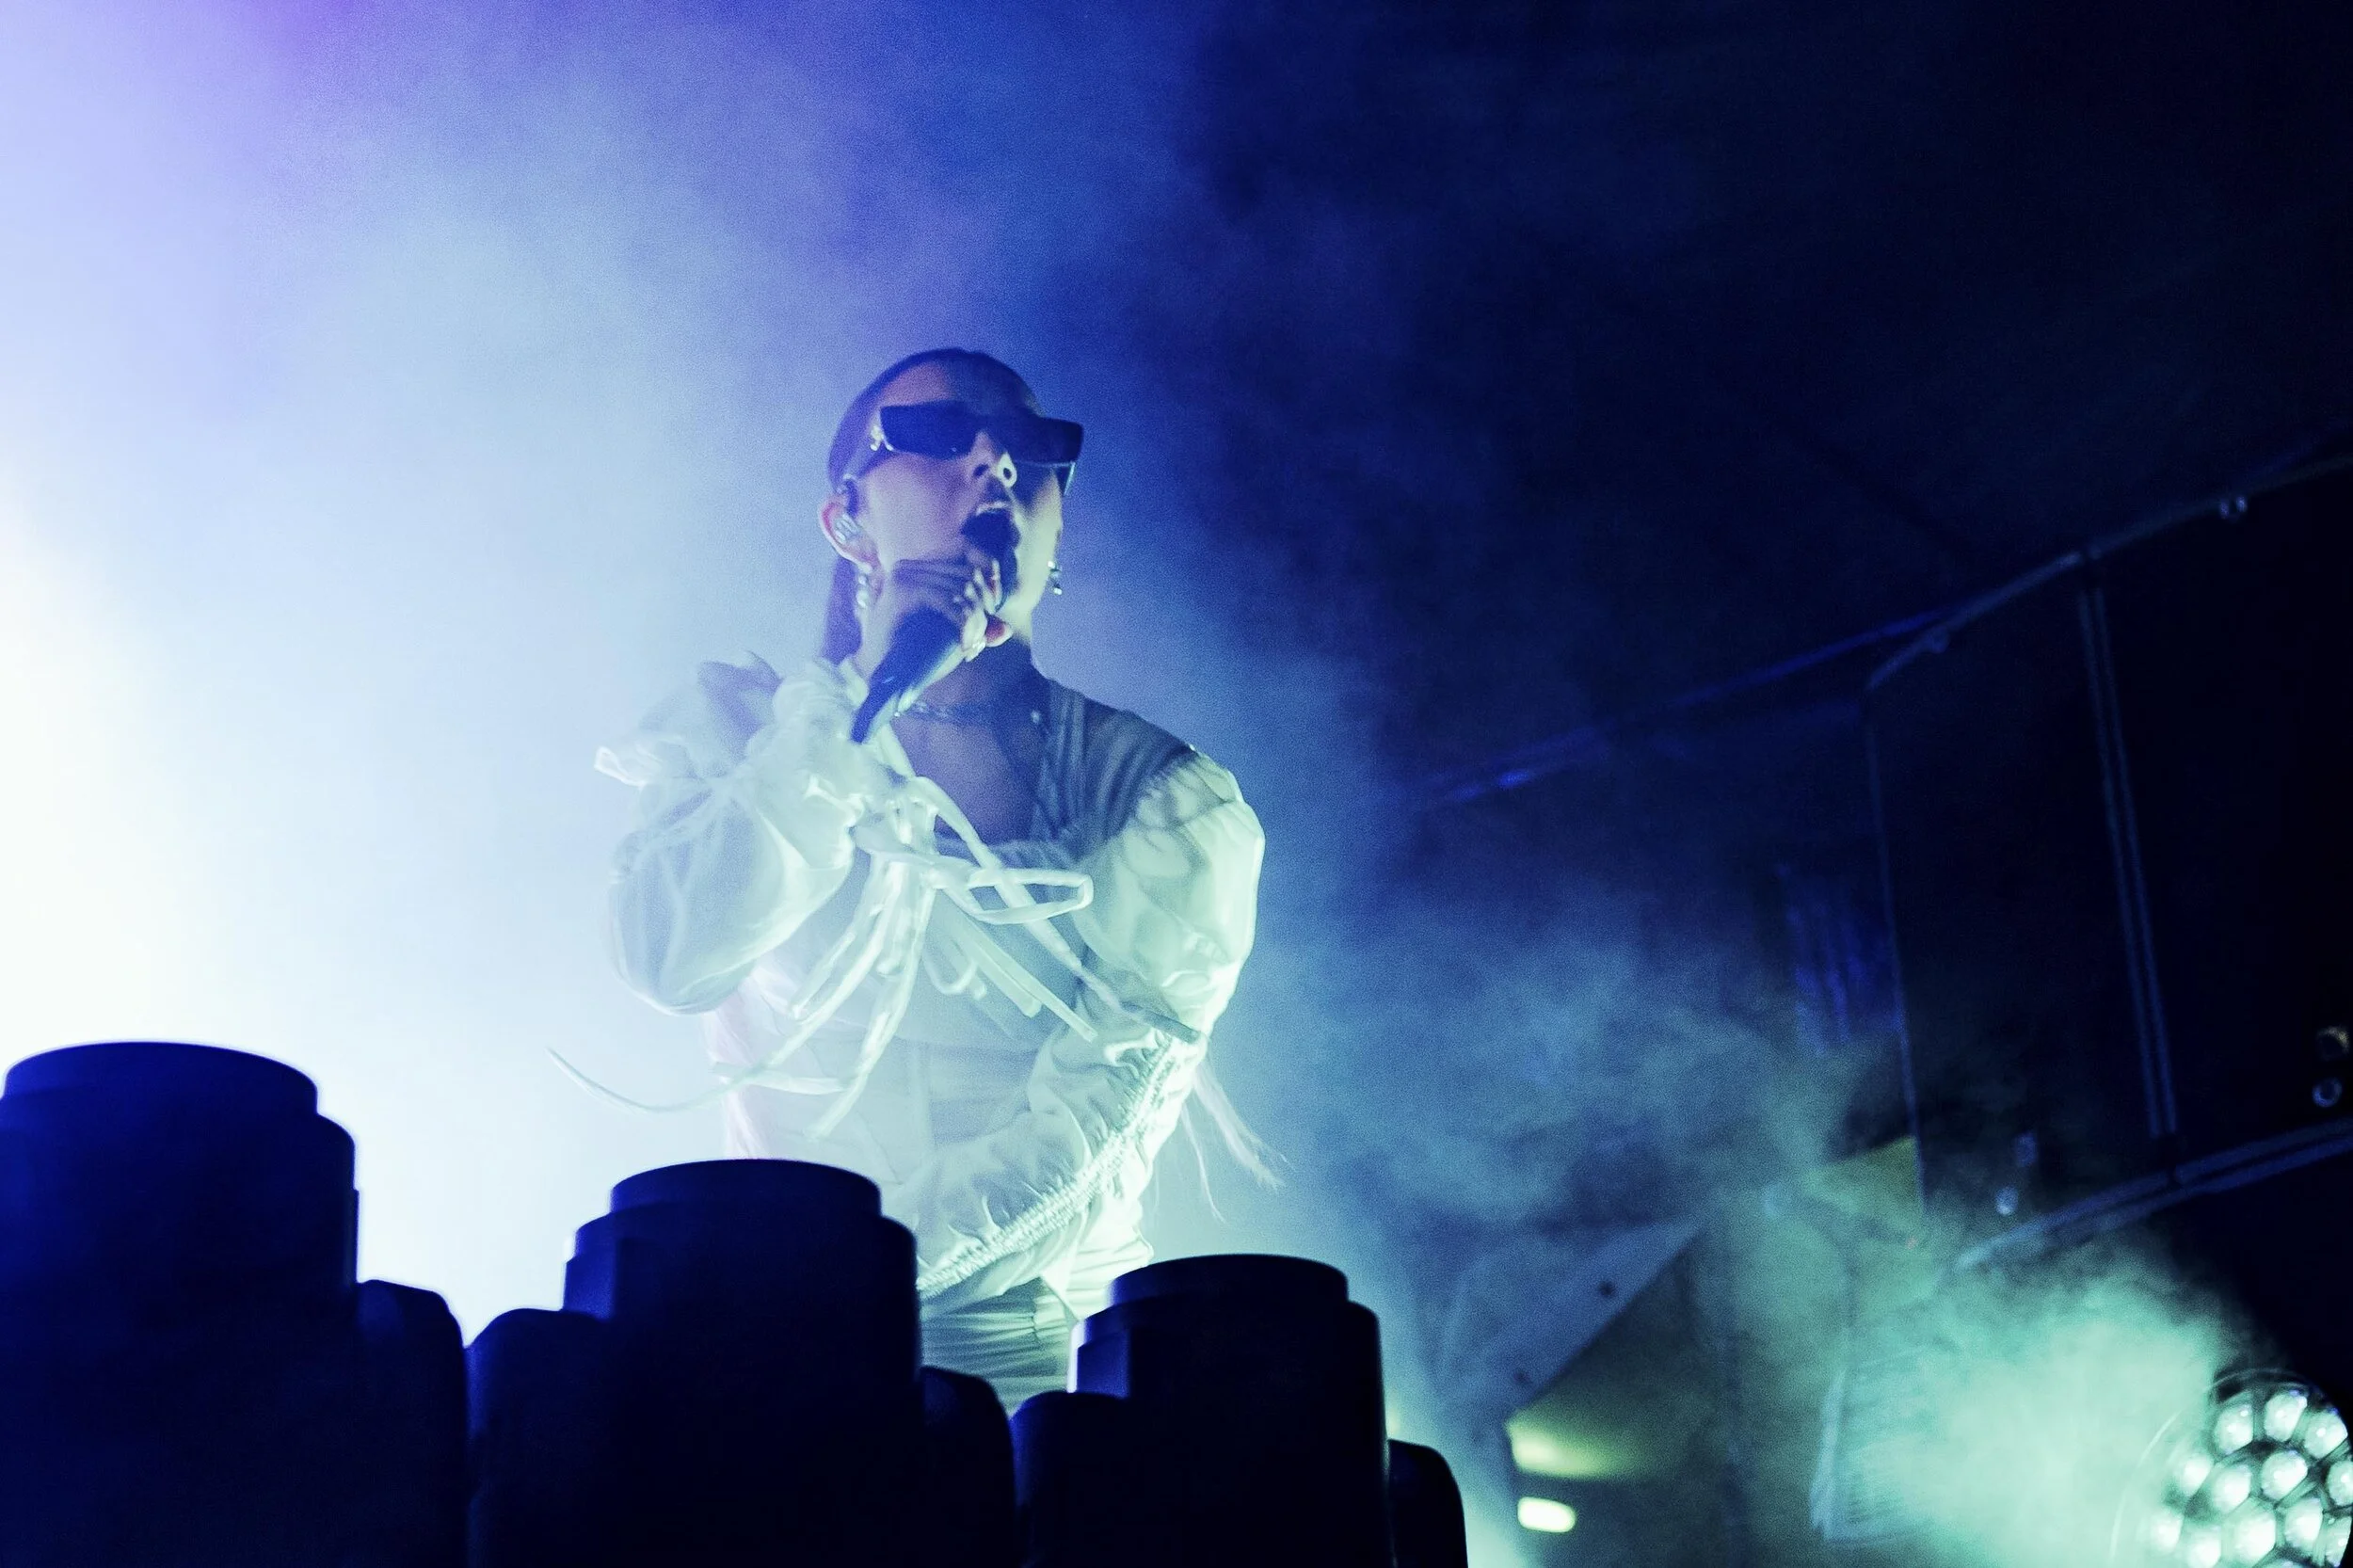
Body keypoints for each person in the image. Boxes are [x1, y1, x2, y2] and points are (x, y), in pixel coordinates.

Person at [598, 349, 1265, 1407]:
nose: (995, 460)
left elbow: (1086, 1144)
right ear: (846, 522)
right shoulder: (739, 735)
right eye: (936, 435)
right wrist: (858, 697)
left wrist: (841, 1287)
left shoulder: (1160, 802)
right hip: (763, 1359)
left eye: (1032, 448)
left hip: (1030, 1392)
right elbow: (669, 957)